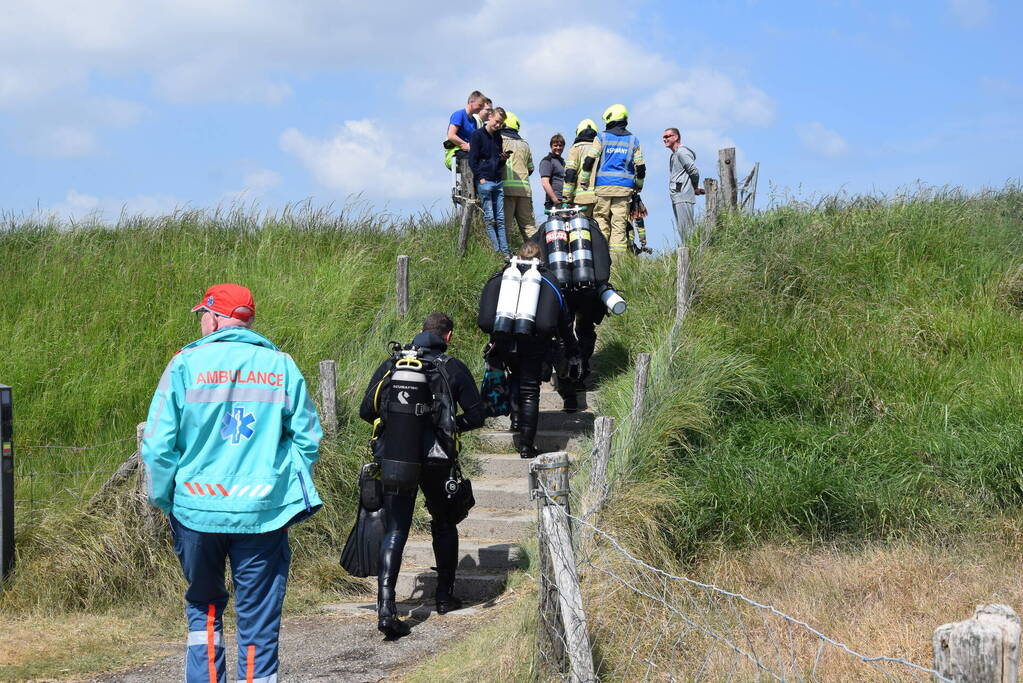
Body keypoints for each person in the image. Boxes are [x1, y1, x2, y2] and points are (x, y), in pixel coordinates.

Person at [142, 283, 323, 683]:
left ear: (215, 318)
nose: (201, 323)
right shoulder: (281, 365)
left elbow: (156, 446)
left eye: (202, 315)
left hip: (195, 510)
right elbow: (308, 438)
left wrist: (166, 498)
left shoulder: (184, 365)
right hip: (262, 512)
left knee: (204, 608)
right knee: (258, 617)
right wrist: (280, 487)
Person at [359, 313, 485, 637]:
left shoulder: (394, 364)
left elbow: (365, 410)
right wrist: (449, 426)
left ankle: (386, 609)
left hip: (396, 457)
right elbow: (477, 414)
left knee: (396, 529)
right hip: (436, 459)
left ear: (419, 333)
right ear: (448, 337)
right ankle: (444, 597)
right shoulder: (451, 366)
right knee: (444, 522)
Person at [489, 242, 579, 459]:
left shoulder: (505, 275)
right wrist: (572, 347)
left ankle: (516, 420)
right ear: (540, 258)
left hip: (505, 339)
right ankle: (526, 445)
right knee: (530, 390)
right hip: (534, 342)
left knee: (514, 376)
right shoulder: (547, 278)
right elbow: (563, 319)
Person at [578, 104, 646, 260]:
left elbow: (589, 160)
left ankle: (601, 260)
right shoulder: (634, 140)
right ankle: (617, 265)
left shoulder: (601, 137)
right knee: (619, 226)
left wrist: (584, 180)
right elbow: (641, 167)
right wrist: (639, 185)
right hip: (624, 189)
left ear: (610, 119)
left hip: (603, 188)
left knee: (601, 221)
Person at [469, 107, 511, 256]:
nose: (498, 125)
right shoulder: (477, 135)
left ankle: (505, 252)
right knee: (490, 218)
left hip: (497, 180)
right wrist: (480, 178)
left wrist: (503, 159)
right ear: (490, 116)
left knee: (500, 218)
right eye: (497, 121)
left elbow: (497, 161)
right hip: (485, 181)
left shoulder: (498, 137)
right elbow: (472, 160)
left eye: (501, 123)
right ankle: (496, 250)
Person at [663, 127, 704, 242]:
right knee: (683, 230)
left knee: (686, 230)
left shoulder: (681, 152)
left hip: (682, 195)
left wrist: (694, 188)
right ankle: (688, 250)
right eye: (663, 137)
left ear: (676, 137)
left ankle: (691, 251)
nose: (664, 139)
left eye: (667, 136)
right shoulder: (675, 154)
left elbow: (693, 171)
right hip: (678, 196)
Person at [500, 112, 535, 243]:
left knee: (506, 227)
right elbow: (530, 168)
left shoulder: (498, 140)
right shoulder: (525, 144)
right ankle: (538, 252)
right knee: (529, 227)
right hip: (524, 191)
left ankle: (504, 253)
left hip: (506, 191)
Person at [562, 119, 599, 217]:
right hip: (600, 198)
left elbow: (570, 174)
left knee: (582, 225)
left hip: (581, 199)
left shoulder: (576, 148)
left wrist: (566, 198)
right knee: (600, 225)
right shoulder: (600, 148)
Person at [539, 133, 566, 211]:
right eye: (555, 145)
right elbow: (545, 182)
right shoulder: (547, 161)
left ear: (563, 147)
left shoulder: (562, 162)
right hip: (554, 203)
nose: (558, 148)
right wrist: (556, 202)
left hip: (564, 201)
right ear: (551, 146)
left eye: (560, 145)